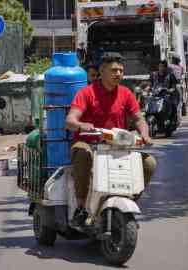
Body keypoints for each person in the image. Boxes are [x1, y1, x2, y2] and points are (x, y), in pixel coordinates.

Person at [66, 52, 157, 226]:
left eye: (121, 71)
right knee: (83, 154)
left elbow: (138, 118)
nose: (118, 74)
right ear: (102, 71)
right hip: (89, 142)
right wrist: (81, 125)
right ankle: (80, 207)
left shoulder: (126, 93)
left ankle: (127, 202)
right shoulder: (86, 93)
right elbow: (70, 120)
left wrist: (144, 134)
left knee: (149, 163)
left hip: (117, 144)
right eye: (114, 70)